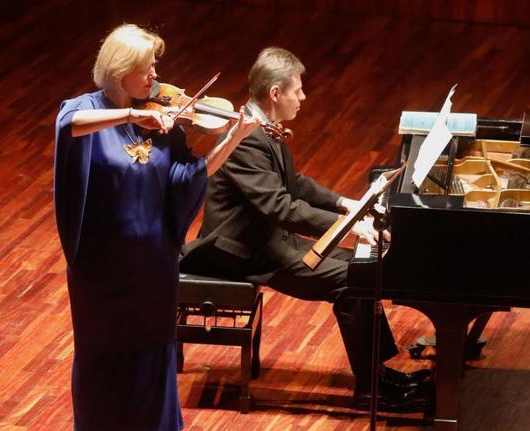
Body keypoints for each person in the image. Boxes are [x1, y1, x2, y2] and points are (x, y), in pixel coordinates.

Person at [53, 24, 259, 431]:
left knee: (157, 352)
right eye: (147, 69)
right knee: (99, 353)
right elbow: (69, 128)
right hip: (100, 268)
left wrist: (235, 138)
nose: (156, 77)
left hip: (153, 262)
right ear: (121, 72)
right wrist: (131, 115)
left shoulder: (164, 123)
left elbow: (191, 177)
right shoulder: (84, 112)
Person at [179, 47, 429, 411]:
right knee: (353, 279)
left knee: (361, 270)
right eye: (298, 89)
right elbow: (279, 207)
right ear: (276, 94)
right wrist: (351, 226)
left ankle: (379, 375)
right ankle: (370, 390)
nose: (304, 97)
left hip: (266, 240)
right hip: (240, 252)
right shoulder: (246, 139)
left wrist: (344, 203)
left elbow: (293, 183)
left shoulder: (262, 127)